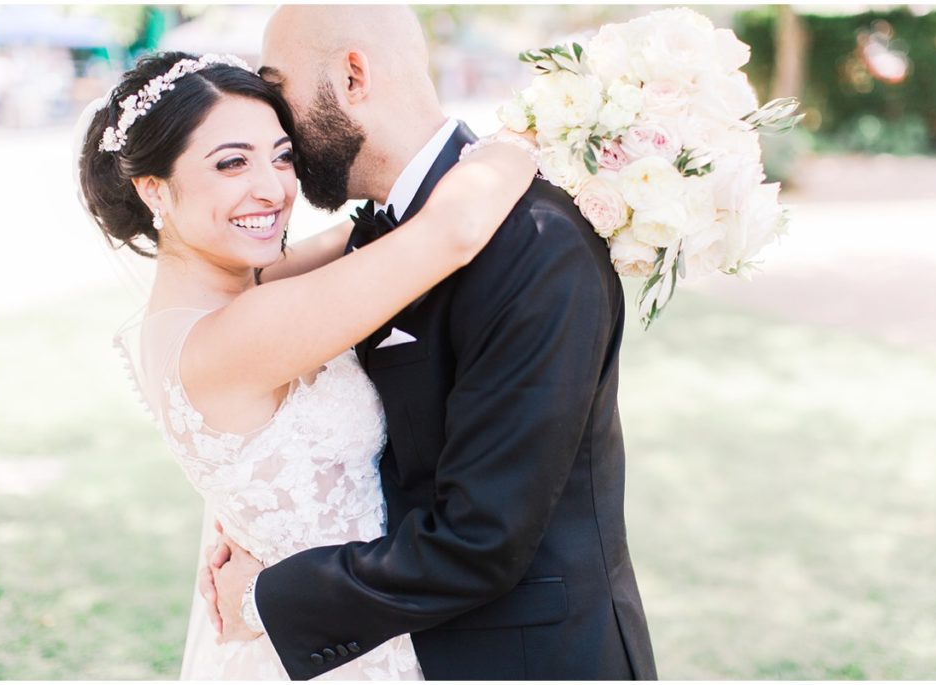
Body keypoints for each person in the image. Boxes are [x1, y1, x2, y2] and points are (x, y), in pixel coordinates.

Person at [204, 6, 658, 680]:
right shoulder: (386, 234)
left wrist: (264, 598)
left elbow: (480, 539)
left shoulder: (536, 244)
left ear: (353, 75)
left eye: (278, 88)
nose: (277, 125)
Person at [77, 50, 538, 680]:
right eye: (232, 162)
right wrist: (536, 139)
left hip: (322, 619)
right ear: (153, 187)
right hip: (344, 648)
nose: (274, 188)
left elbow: (368, 237)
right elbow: (452, 231)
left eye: (283, 155)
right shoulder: (237, 333)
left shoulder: (209, 302)